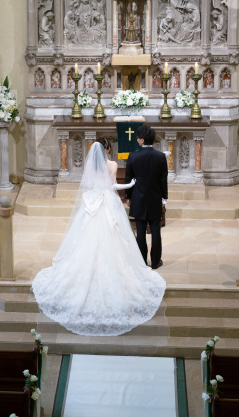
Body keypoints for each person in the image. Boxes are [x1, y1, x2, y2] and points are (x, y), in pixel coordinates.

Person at [32, 138, 167, 336]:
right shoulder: (112, 165)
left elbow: (91, 186)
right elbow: (112, 186)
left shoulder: (90, 167)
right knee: (115, 236)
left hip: (93, 202)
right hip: (109, 202)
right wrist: (130, 184)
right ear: (108, 149)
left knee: (86, 236)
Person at [125, 125, 168, 269]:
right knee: (156, 231)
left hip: (138, 198)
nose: (137, 139)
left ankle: (142, 262)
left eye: (138, 138)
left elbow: (129, 179)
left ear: (142, 140)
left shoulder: (133, 156)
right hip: (155, 198)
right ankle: (156, 261)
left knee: (140, 232)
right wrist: (164, 198)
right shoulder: (160, 156)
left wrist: (128, 197)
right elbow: (163, 179)